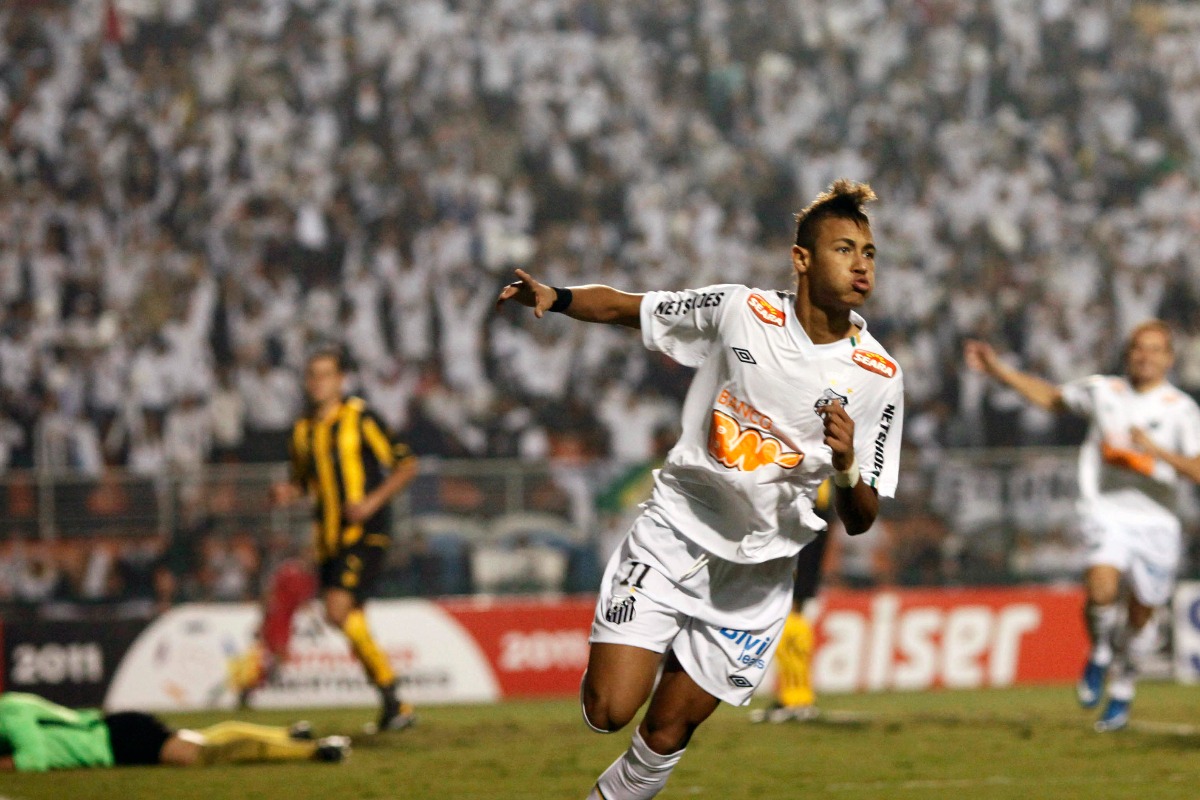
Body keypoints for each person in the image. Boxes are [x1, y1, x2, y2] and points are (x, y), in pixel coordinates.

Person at [497, 179, 904, 799]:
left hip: (758, 572)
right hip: (677, 533)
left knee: (666, 729)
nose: (861, 264)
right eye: (844, 249)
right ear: (802, 259)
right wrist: (556, 298)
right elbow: (629, 307)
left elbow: (862, 516)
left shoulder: (879, 375)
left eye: (869, 253)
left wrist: (847, 464)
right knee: (607, 708)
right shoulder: (741, 310)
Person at [965, 320, 1200, 732]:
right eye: (1137, 348)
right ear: (1128, 353)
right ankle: (1100, 656)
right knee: (1101, 586)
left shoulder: (1182, 410)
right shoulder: (1103, 391)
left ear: (1169, 358)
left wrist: (1152, 451)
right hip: (1106, 511)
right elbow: (1053, 399)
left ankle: (1123, 689)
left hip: (1158, 523)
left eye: (1154, 349)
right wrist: (998, 370)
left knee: (1141, 614)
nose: (1145, 356)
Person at [269, 349, 420, 732]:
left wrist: (370, 503)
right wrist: (287, 492)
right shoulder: (302, 431)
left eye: (326, 374)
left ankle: (393, 696)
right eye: (312, 375)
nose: (319, 382)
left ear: (340, 380)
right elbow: (304, 482)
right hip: (328, 542)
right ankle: (393, 705)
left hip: (365, 533)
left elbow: (406, 464)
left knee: (337, 609)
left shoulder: (361, 417)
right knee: (347, 618)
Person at [0, 691, 348, 772]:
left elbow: (33, 760)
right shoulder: (11, 703)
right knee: (206, 738)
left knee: (204, 755)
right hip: (114, 729)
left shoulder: (8, 713)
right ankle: (288, 734)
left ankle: (314, 751)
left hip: (115, 741)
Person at [749, 480, 833, 724]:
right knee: (794, 604)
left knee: (790, 604)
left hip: (802, 511)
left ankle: (796, 699)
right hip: (809, 510)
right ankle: (796, 697)